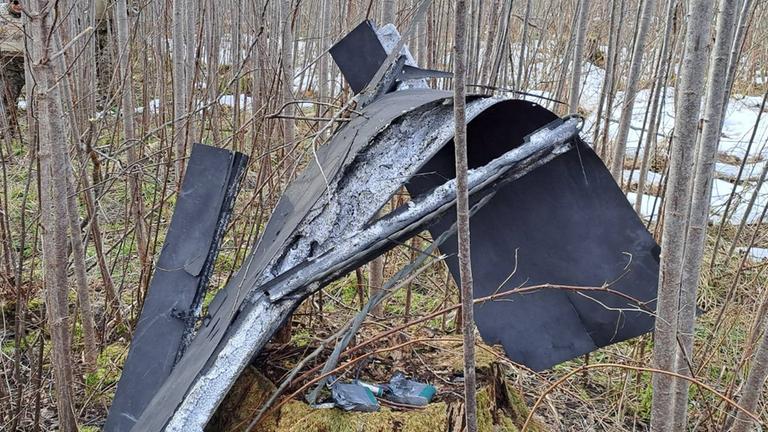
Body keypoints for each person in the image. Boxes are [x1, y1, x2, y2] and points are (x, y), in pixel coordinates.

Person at [0, 0, 24, 135]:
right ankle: (7, 131)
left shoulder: (35, 14)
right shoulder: (1, 13)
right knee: (7, 97)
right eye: (15, 2)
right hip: (7, 60)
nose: (19, 5)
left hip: (31, 61)